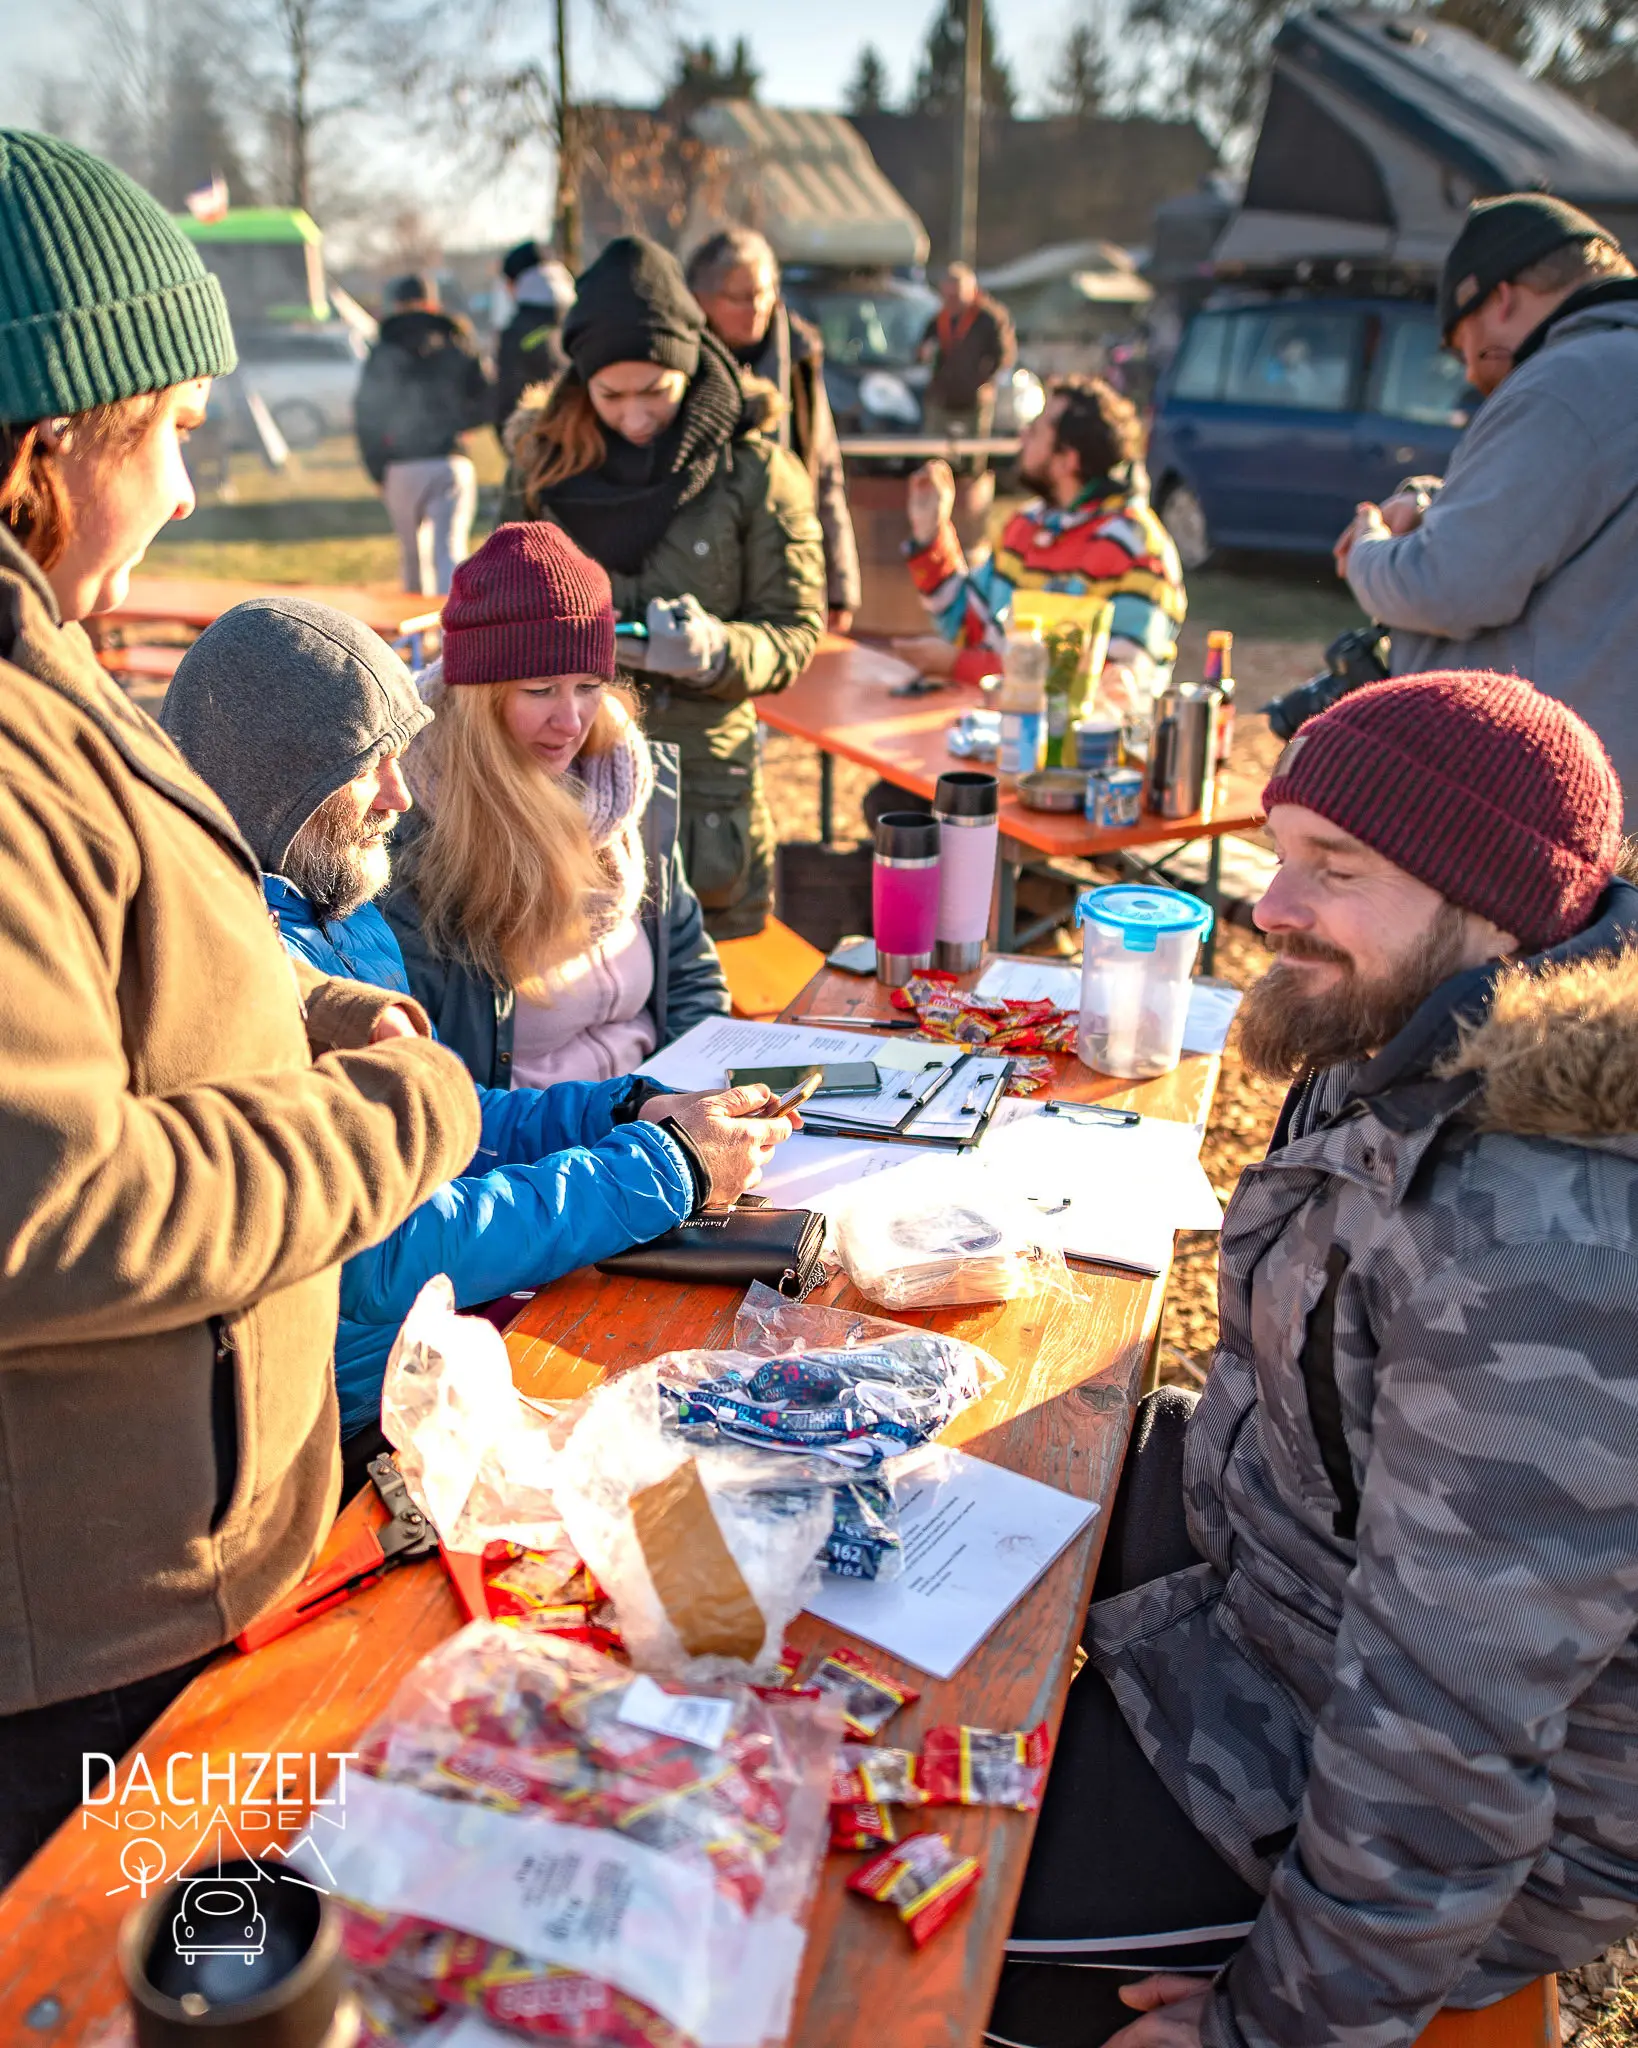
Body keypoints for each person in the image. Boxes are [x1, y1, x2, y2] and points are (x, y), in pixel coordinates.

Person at [990, 670, 1638, 2048]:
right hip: (1281, 1597)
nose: (1267, 906)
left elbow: (1445, 1754)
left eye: (1331, 869)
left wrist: (1263, 2031)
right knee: (909, 1519)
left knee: (908, 1898)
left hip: (1411, 1813)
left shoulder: (1538, 1253)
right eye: (1280, 856)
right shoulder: (1408, 1032)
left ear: (1495, 906)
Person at [0, 129, 481, 1879]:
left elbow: (117, 941)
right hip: (77, 1650)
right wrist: (393, 1116)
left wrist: (289, 998)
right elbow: (49, 1203)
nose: (195, 489)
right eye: (178, 431)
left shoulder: (48, 645)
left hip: (168, 1571)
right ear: (51, 446)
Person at [161, 595, 792, 1481]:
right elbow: (391, 1247)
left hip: (427, 1367)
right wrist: (666, 1168)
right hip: (339, 1438)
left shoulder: (333, 904)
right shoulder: (242, 968)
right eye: (370, 765)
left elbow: (448, 1118)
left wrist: (632, 1108)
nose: (400, 792)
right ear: (285, 779)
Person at [500, 234, 826, 940]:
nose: (636, 414)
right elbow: (493, 609)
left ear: (690, 363)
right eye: (611, 394)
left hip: (705, 800)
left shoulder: (755, 470)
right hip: (565, 788)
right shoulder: (541, 467)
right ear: (582, 381)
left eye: (657, 390)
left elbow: (796, 629)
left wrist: (716, 650)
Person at [381, 521, 730, 1087]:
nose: (570, 722)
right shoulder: (414, 832)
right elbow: (431, 1079)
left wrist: (687, 1096)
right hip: (535, 1154)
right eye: (540, 690)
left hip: (661, 1118)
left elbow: (689, 970)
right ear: (479, 701)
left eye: (590, 686)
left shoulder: (625, 785)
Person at [1334, 193, 1638, 821]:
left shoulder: (1568, 381)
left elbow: (1449, 585)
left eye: (1466, 345)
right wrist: (1433, 503)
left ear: (1500, 297)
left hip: (1544, 800)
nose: (1473, 375)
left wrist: (1367, 551)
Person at [898, 374, 1186, 706]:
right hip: (997, 737)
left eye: (1035, 431)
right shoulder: (1026, 526)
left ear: (1067, 460)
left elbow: (1107, 689)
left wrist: (956, 665)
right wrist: (931, 533)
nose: (1023, 436)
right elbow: (972, 628)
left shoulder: (1137, 550)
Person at [686, 226, 862, 634]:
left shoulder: (799, 359)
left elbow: (826, 474)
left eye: (764, 292)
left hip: (785, 574)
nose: (758, 307)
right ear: (702, 300)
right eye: (741, 297)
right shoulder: (677, 366)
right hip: (701, 587)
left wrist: (840, 586)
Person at [355, 272, 491, 595]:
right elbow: (488, 398)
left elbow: (366, 413)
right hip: (449, 461)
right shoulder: (455, 340)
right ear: (432, 303)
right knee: (449, 553)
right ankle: (452, 637)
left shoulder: (384, 347)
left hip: (400, 464)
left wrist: (376, 469)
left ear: (396, 305)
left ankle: (418, 641)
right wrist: (460, 423)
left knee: (413, 557)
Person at [918, 260, 1016, 440]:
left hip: (975, 397)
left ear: (971, 291)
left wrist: (986, 380)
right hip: (942, 396)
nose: (951, 301)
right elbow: (921, 351)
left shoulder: (989, 319)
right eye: (948, 295)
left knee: (974, 450)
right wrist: (924, 354)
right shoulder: (939, 320)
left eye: (956, 295)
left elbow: (1004, 355)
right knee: (933, 446)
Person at [492, 237, 573, 439]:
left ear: (515, 283)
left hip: (538, 445)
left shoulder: (516, 332)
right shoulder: (584, 317)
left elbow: (506, 400)